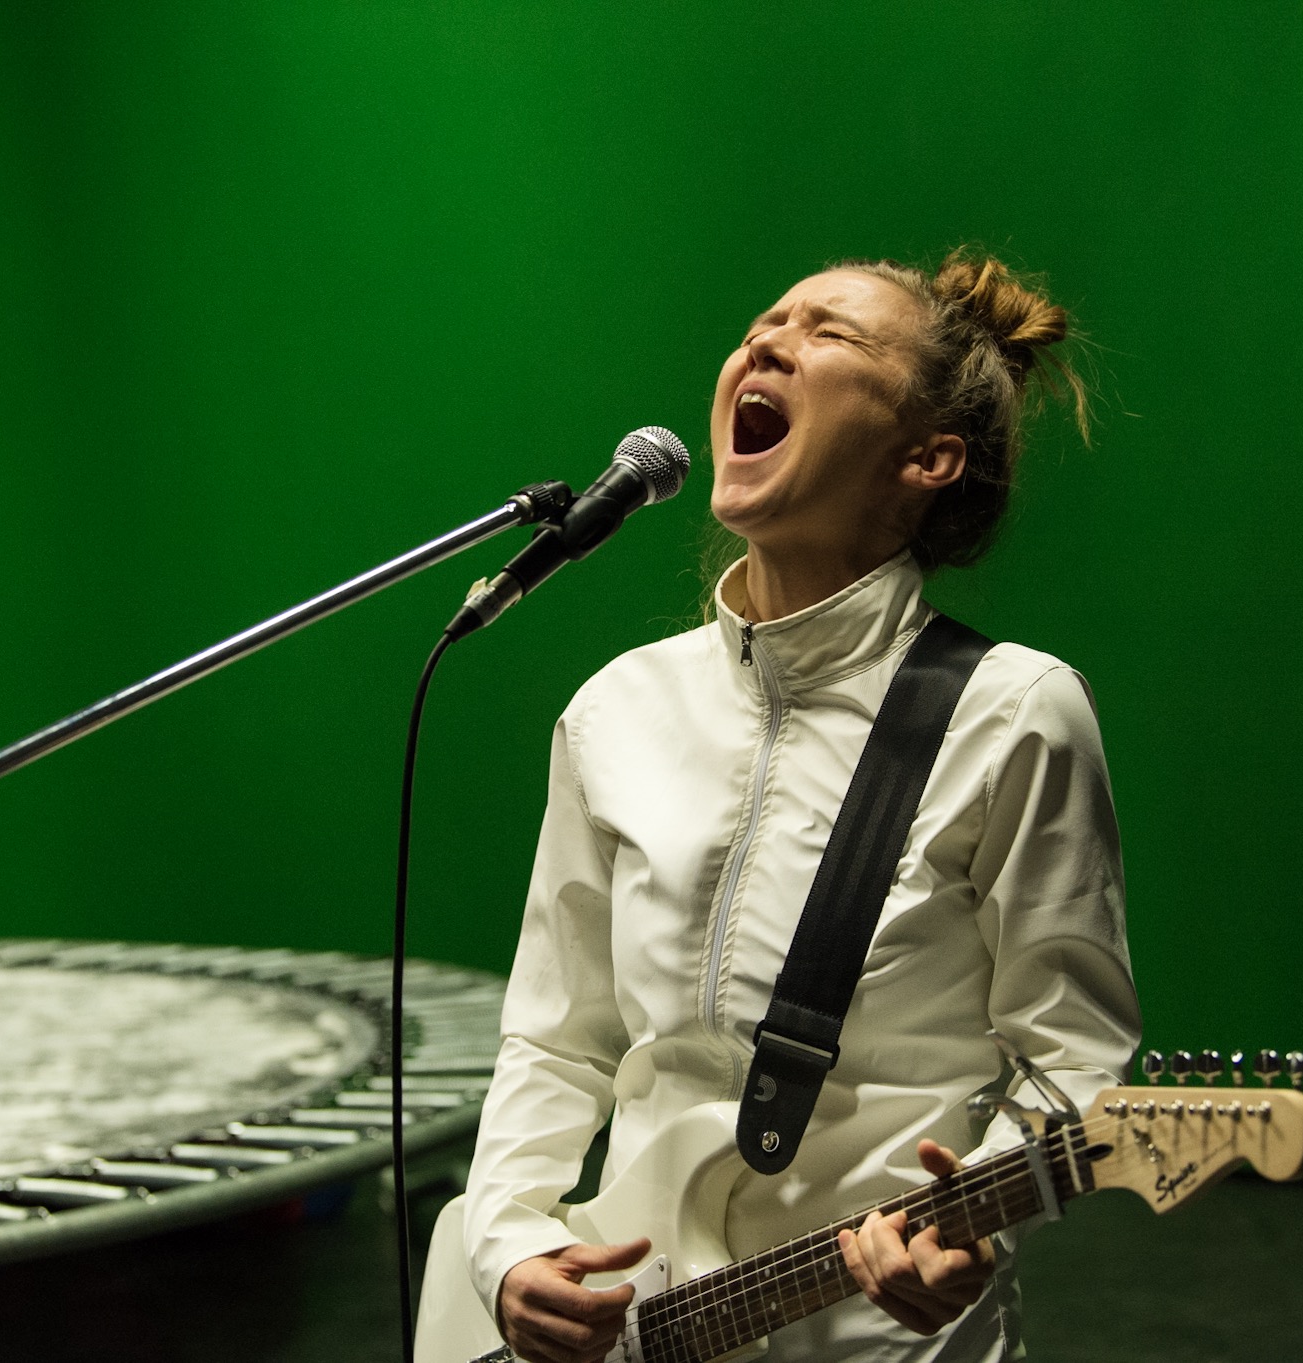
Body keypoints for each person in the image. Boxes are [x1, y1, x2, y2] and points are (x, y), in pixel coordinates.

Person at [461, 251, 1142, 1363]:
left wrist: (969, 1223)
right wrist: (505, 1248)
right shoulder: (616, 709)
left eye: (830, 334)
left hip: (876, 1340)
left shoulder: (1014, 711)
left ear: (926, 457)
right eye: (761, 325)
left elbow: (1072, 1054)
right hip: (634, 1316)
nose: (766, 343)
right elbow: (556, 1035)